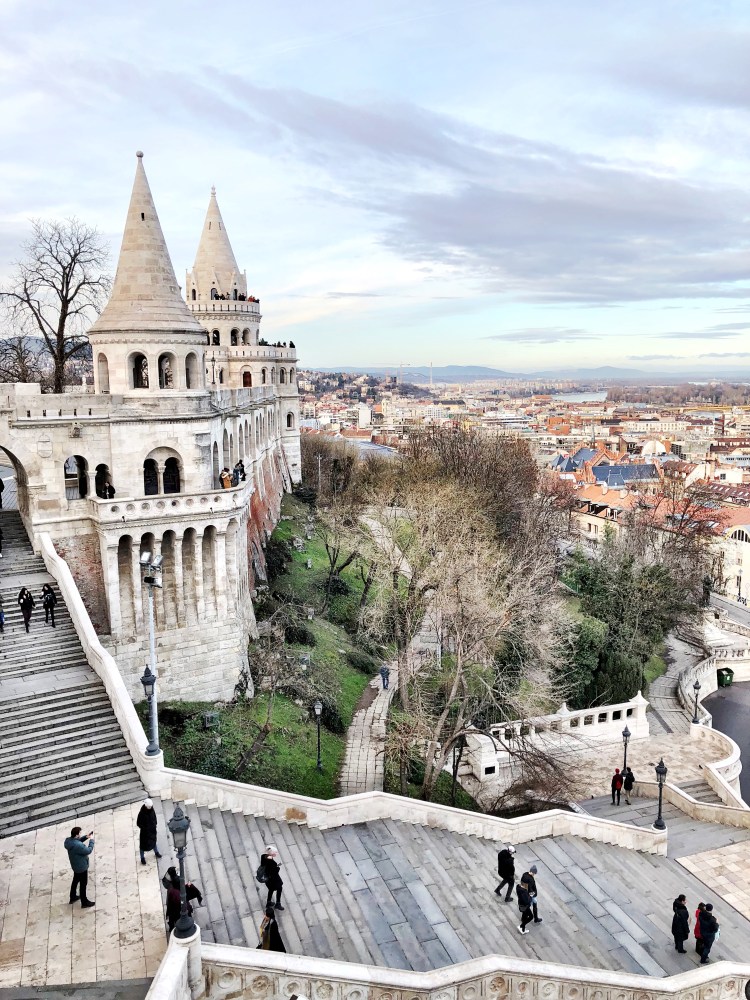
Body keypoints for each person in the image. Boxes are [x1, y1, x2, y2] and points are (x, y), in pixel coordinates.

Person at [64, 826, 95, 908]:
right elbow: (88, 850)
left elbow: (77, 842)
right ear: (77, 835)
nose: (81, 834)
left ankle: (73, 896)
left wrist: (86, 837)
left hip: (75, 866)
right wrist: (91, 840)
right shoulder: (78, 846)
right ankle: (84, 902)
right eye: (80, 833)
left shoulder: (68, 841)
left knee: (75, 880)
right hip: (82, 867)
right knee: (83, 884)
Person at [136, 798, 162, 864]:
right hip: (145, 833)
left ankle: (156, 852)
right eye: (149, 806)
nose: (150, 807)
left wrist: (154, 824)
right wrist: (145, 828)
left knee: (153, 842)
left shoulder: (152, 810)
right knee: (143, 845)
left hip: (152, 830)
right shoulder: (142, 813)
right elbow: (138, 823)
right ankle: (142, 858)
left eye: (150, 806)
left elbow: (154, 818)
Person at [260, 845, 284, 910]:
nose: (275, 853)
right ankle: (278, 904)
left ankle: (269, 903)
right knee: (279, 888)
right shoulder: (271, 861)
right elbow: (274, 871)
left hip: (268, 878)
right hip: (274, 879)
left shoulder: (263, 857)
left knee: (271, 889)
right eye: (274, 852)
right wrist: (278, 867)